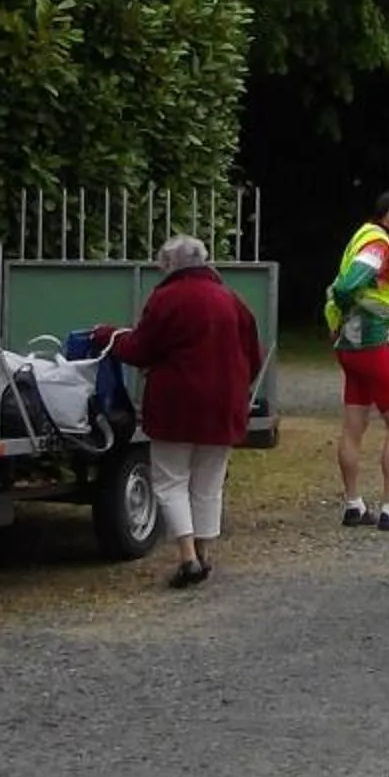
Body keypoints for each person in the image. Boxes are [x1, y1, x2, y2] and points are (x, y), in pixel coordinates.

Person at [104, 235, 266, 588]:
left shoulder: (166, 298)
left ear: (169, 264)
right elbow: (254, 355)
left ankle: (187, 557)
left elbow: (140, 350)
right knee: (209, 483)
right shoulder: (232, 300)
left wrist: (110, 338)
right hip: (224, 405)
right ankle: (206, 553)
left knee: (170, 480)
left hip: (175, 405)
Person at [327, 191, 389, 531]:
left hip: (348, 346)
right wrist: (385, 310)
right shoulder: (378, 245)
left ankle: (354, 505)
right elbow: (346, 286)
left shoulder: (361, 236)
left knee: (353, 425)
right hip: (370, 344)